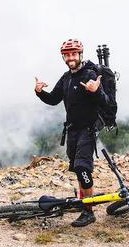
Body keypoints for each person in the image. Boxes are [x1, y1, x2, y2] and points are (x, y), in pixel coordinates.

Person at [34, 39, 111, 227]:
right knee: (77, 169)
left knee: (83, 168)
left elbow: (106, 102)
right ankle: (84, 202)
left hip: (88, 129)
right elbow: (53, 99)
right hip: (72, 130)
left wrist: (96, 91)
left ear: (80, 55)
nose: (70, 58)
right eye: (67, 55)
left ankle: (88, 212)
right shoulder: (67, 78)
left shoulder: (90, 74)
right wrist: (39, 92)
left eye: (74, 54)